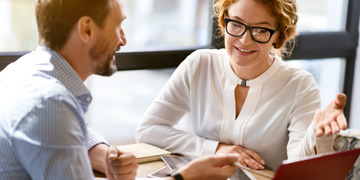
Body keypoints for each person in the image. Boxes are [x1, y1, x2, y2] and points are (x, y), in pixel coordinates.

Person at [0, 0, 240, 179]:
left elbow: (61, 128)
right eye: (118, 26)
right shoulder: (50, 105)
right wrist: (185, 177)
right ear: (86, 29)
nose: (123, 39)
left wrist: (99, 151)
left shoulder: (22, 70)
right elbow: (53, 118)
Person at [136, 0, 348, 172]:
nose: (245, 40)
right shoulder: (200, 64)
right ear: (224, 20)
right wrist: (216, 149)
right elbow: (149, 129)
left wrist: (317, 133)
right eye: (236, 24)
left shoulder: (299, 85)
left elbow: (297, 169)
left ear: (277, 35)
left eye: (261, 30)